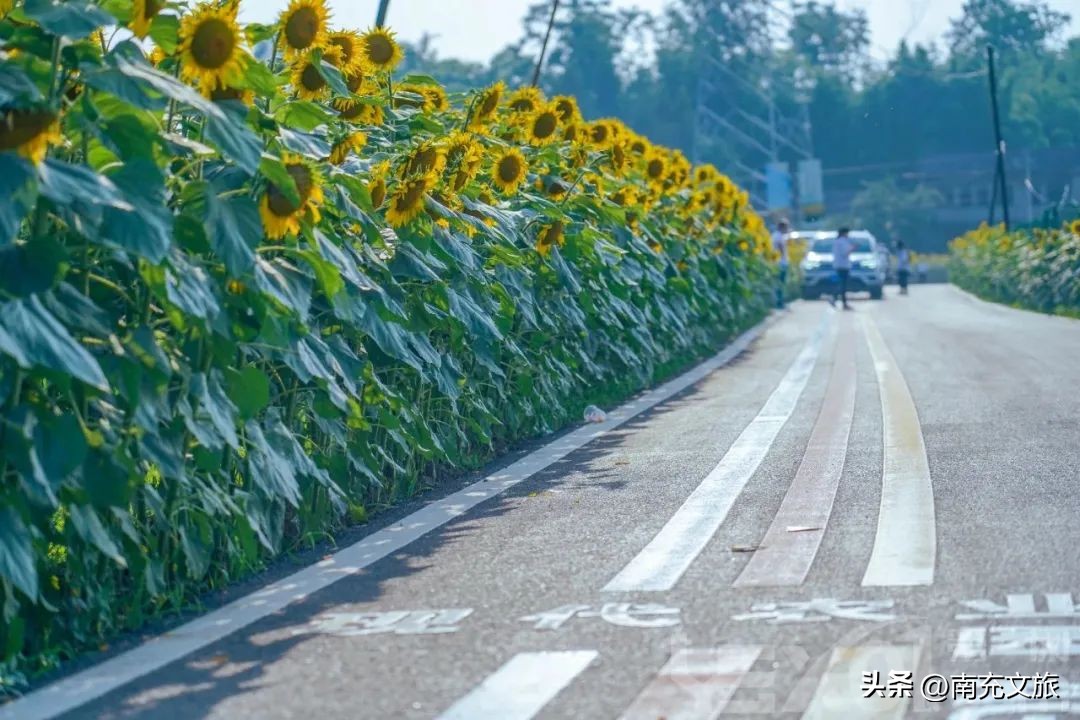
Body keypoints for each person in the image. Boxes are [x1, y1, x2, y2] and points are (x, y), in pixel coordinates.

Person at [830, 227, 854, 310]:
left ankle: (836, 299)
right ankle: (839, 301)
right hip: (843, 266)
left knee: (841, 284)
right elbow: (845, 253)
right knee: (843, 285)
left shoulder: (837, 241)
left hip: (838, 265)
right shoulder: (842, 242)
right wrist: (853, 248)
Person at [772, 219, 790, 309]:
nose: (787, 229)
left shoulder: (777, 236)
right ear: (782, 227)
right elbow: (780, 249)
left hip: (779, 262)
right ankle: (780, 302)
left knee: (780, 283)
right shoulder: (778, 237)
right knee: (780, 283)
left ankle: (780, 302)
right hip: (780, 263)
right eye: (786, 227)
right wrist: (784, 259)